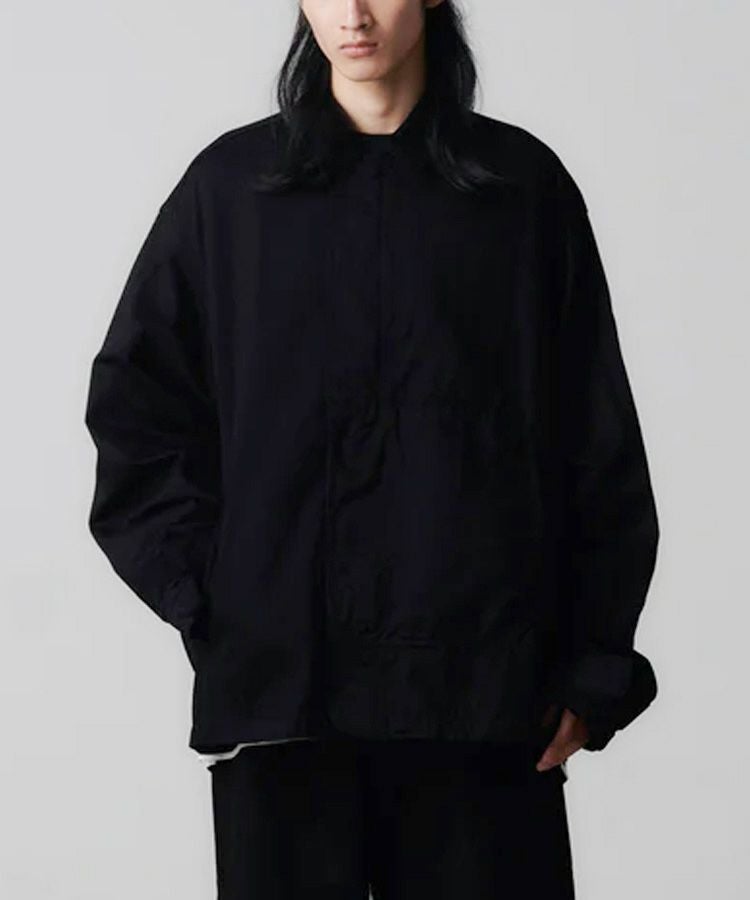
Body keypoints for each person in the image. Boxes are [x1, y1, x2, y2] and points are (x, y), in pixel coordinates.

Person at [84, 1, 660, 896]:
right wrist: (220, 598)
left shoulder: (520, 190)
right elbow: (137, 412)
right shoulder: (230, 191)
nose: (352, 14)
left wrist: (594, 666)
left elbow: (598, 442)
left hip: (481, 703)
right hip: (287, 707)